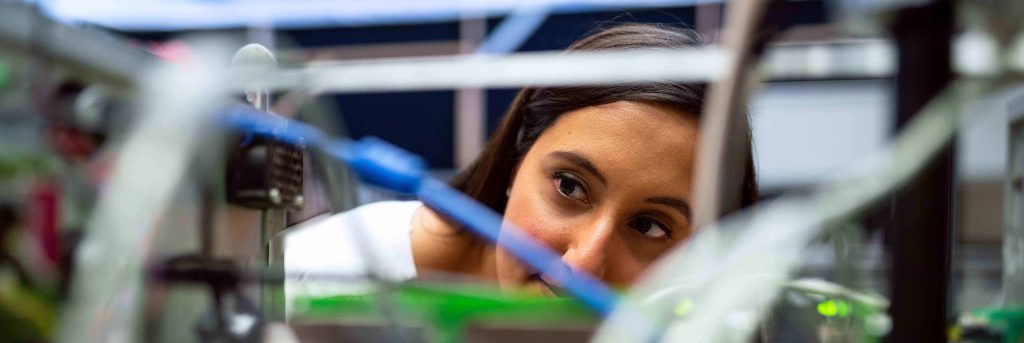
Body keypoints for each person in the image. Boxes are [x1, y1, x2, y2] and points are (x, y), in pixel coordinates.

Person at [285, 23, 758, 300]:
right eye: (570, 187)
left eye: (650, 226)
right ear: (516, 160)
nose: (581, 264)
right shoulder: (318, 278)